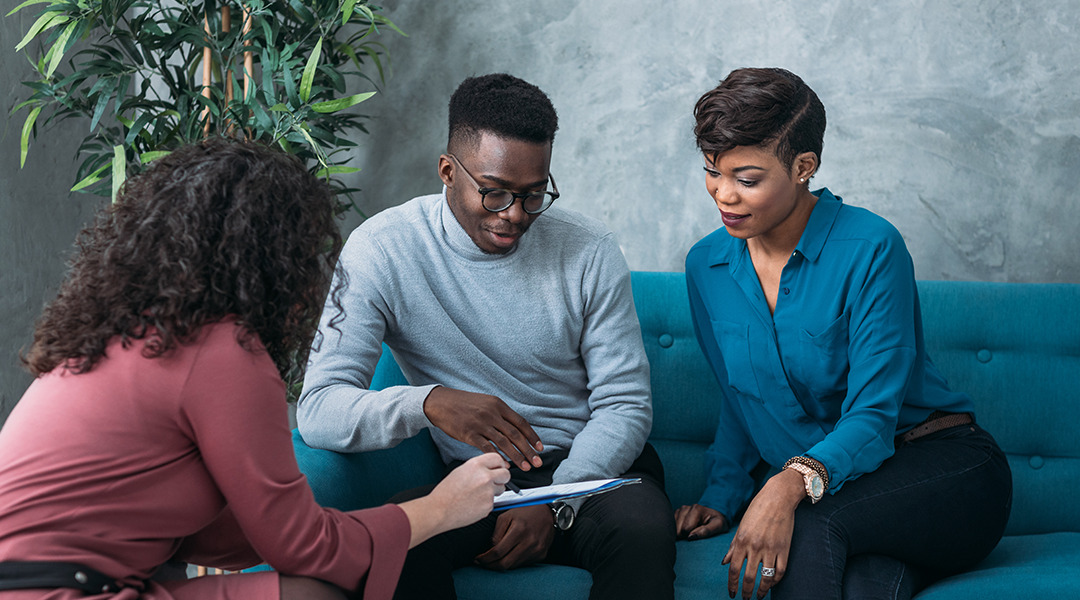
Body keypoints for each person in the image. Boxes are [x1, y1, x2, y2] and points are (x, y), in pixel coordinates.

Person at [0, 138, 511, 600]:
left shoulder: (131, 333)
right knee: (316, 594)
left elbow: (235, 534)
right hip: (65, 592)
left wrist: (350, 531)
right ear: (279, 259)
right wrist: (440, 509)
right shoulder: (222, 351)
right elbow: (305, 551)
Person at [296, 73, 677, 600]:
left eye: (533, 195)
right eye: (494, 193)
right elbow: (318, 409)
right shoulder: (381, 251)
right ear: (448, 172)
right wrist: (427, 403)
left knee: (643, 532)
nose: (515, 215)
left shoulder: (589, 249)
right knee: (395, 547)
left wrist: (555, 500)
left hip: (593, 474)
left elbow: (626, 405)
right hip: (480, 478)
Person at [674, 68, 1012, 600]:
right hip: (846, 497)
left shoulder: (872, 247)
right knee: (864, 584)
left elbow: (874, 415)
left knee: (807, 523)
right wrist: (723, 494)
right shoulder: (706, 266)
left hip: (940, 466)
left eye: (747, 178)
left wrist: (784, 487)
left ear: (803, 166)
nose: (723, 195)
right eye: (712, 172)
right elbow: (742, 399)